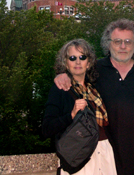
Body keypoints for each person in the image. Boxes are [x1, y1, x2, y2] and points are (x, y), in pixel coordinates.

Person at [55, 19, 134, 175]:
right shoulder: (95, 70)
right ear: (108, 44)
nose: (123, 46)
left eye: (128, 41)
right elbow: (75, 73)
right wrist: (63, 75)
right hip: (110, 162)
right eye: (117, 41)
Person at [43, 39, 117, 175]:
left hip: (105, 153)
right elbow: (47, 128)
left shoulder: (96, 88)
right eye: (72, 58)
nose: (78, 62)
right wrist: (71, 115)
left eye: (82, 57)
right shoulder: (61, 89)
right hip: (79, 157)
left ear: (88, 63)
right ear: (65, 63)